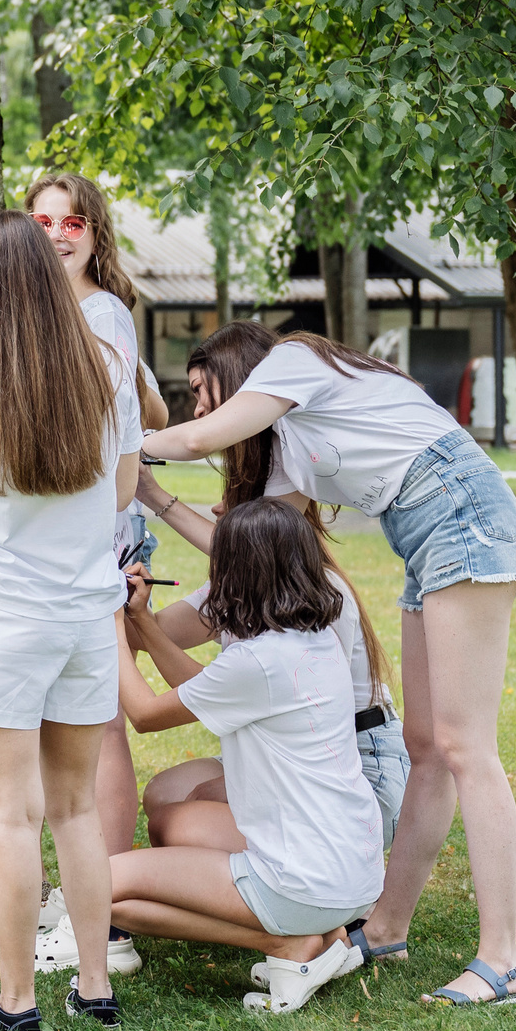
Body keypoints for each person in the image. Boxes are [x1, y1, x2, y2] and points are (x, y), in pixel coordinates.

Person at [141, 321, 516, 1008]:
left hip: (459, 512)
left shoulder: (294, 361)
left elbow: (196, 440)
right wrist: (154, 498)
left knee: (463, 745)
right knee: (427, 747)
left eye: (206, 393)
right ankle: (385, 926)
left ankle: (502, 958)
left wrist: (119, 445)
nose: (201, 412)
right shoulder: (292, 454)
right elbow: (253, 554)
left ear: (245, 379)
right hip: (423, 532)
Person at [0, 209, 141, 1031]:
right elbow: (122, 491)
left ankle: (17, 1001)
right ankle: (93, 983)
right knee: (77, 808)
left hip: (6, 617)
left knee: (12, 812)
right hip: (87, 617)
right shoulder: (107, 365)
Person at [131, 323, 410, 952]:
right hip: (327, 769)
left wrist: (154, 491)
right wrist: (134, 622)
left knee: (182, 817)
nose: (198, 410)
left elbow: (158, 702)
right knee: (168, 796)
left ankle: (293, 925)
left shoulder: (287, 550)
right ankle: (289, 915)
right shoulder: (273, 574)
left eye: (205, 394)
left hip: (361, 764)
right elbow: (191, 626)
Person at [109, 499, 381, 1012]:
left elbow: (144, 714)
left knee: (100, 885)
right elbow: (201, 688)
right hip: (352, 875)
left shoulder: (256, 661)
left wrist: (107, 626)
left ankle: (282, 944)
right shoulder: (310, 637)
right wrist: (141, 622)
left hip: (304, 882)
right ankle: (322, 937)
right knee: (165, 829)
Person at [20, 172, 167, 980]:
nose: (56, 233)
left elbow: (114, 451)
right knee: (75, 729)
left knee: (101, 727)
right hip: (68, 542)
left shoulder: (102, 313)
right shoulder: (51, 312)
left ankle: (104, 918)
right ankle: (88, 899)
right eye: (41, 220)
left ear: (94, 232)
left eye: (71, 220)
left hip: (96, 537)